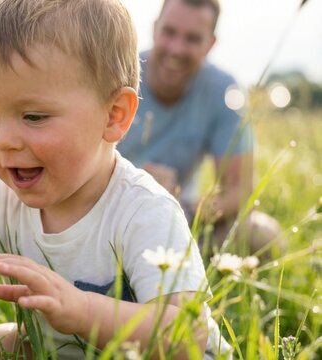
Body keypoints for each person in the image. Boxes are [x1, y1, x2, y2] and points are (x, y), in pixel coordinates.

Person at [0, 0, 231, 358]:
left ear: (114, 115)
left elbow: (186, 334)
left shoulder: (144, 211)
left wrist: (81, 310)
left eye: (33, 117)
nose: (4, 141)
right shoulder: (2, 197)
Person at [117, 0, 281, 256]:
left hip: (179, 216)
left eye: (192, 39)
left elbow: (240, 189)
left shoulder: (224, 90)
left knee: (262, 234)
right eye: (169, 32)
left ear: (210, 44)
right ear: (154, 29)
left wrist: (190, 207)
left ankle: (179, 263)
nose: (176, 49)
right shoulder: (116, 73)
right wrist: (135, 181)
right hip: (105, 208)